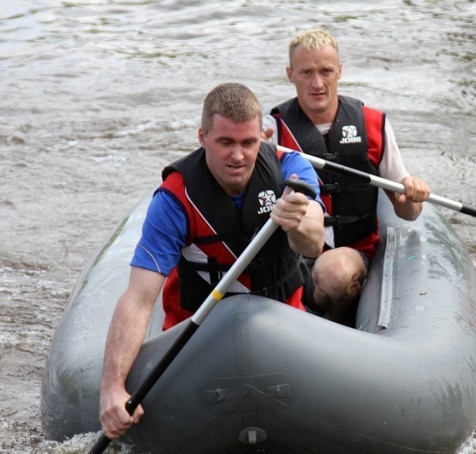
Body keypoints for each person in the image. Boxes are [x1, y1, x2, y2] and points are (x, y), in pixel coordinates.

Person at [98, 82, 325, 440]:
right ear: (203, 137)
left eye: (249, 143)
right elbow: (139, 298)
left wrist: (296, 220)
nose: (238, 155)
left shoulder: (291, 170)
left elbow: (312, 244)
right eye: (226, 143)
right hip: (199, 337)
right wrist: (112, 388)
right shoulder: (174, 199)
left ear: (263, 137)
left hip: (284, 328)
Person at [263, 29, 431, 324]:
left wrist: (413, 196)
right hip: (289, 255)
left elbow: (408, 211)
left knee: (336, 272)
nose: (317, 83)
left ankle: (336, 327)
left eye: (326, 71)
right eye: (307, 72)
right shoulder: (271, 131)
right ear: (290, 74)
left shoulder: (374, 125)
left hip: (350, 254)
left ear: (339, 71)